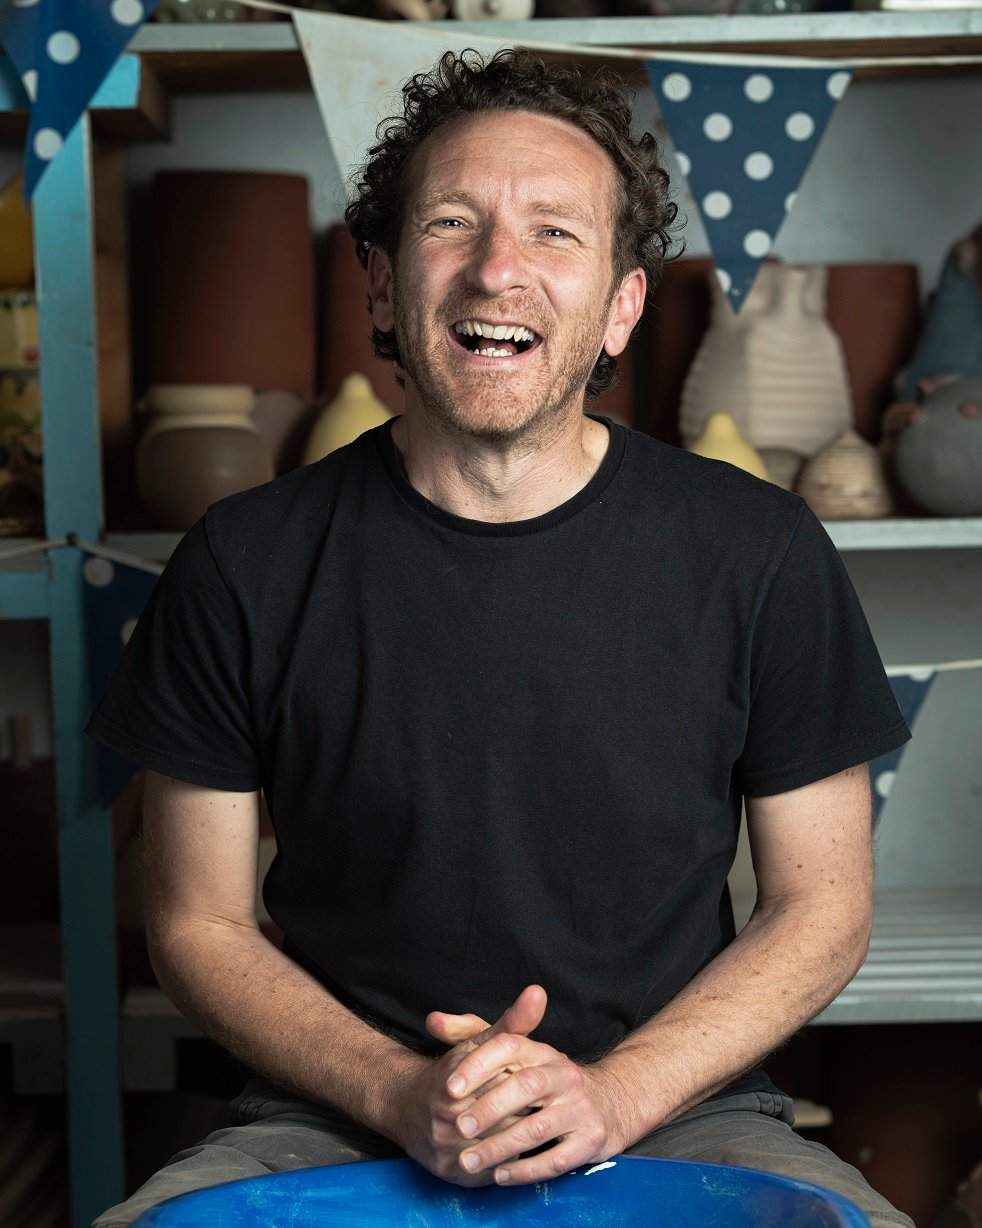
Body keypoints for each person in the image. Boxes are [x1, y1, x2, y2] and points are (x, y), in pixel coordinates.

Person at [87, 48, 914, 1228]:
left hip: (679, 1102)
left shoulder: (761, 551)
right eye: (450, 222)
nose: (496, 269)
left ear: (625, 301)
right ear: (379, 285)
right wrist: (396, 1087)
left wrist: (616, 1094)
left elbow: (820, 907)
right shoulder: (242, 560)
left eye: (554, 233)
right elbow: (195, 921)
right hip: (323, 1109)